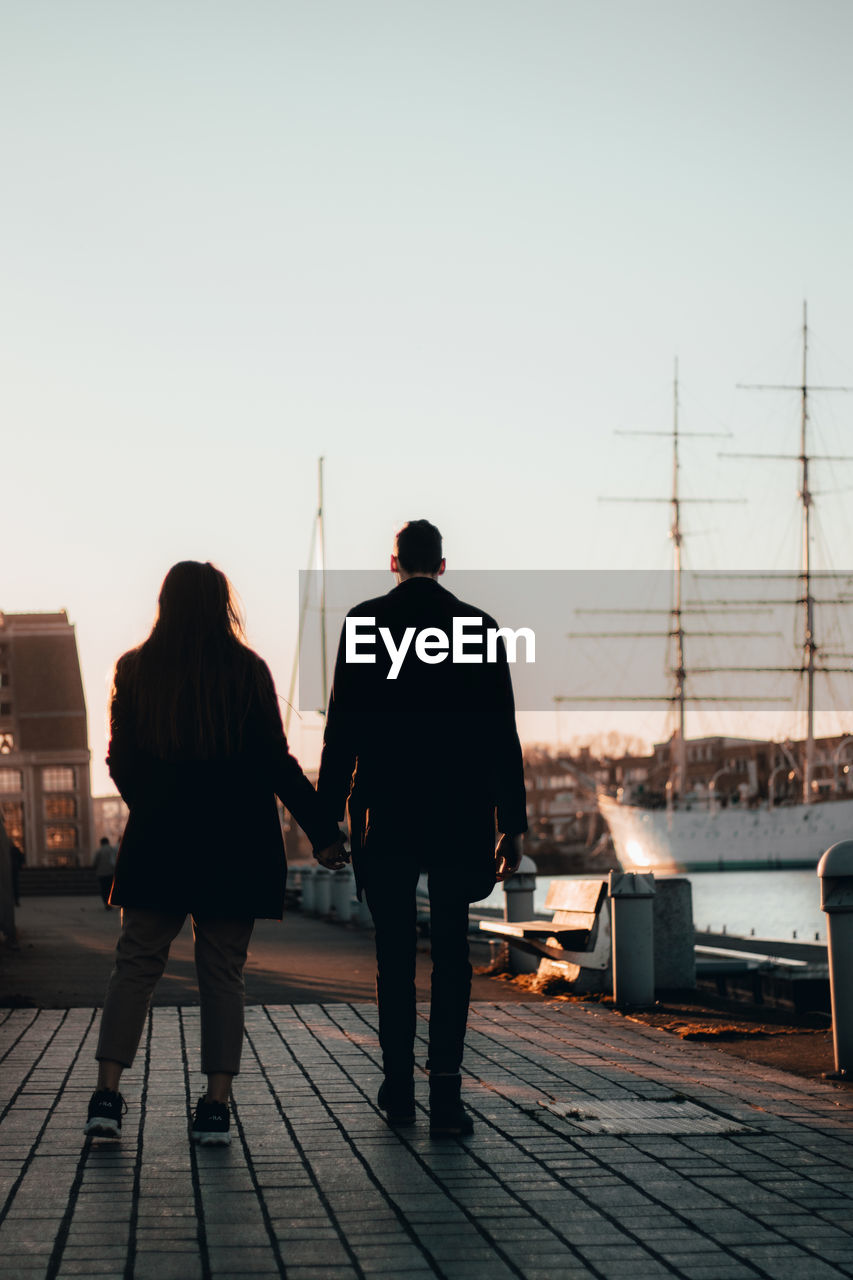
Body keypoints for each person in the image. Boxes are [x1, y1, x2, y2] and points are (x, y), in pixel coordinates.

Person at [85, 561, 346, 1146]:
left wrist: (155, 806)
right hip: (235, 844)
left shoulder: (134, 670)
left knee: (135, 964)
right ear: (223, 605)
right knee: (223, 974)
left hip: (161, 844)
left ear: (165, 603)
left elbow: (119, 760)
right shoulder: (247, 672)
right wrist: (325, 830)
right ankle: (214, 1109)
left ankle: (106, 1097)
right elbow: (276, 763)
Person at [318, 520, 527, 1135]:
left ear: (393, 563)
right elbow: (500, 735)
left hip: (386, 812)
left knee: (393, 955)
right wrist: (511, 825)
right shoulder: (478, 628)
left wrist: (327, 819)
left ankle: (399, 1087)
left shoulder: (363, 624)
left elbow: (342, 731)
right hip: (460, 813)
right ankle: (447, 1095)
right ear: (442, 564)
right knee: (453, 954)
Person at [92, 837, 117, 909]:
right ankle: (111, 902)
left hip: (102, 873)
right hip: (111, 873)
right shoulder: (112, 850)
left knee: (103, 889)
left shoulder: (99, 851)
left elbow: (95, 862)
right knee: (110, 888)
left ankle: (106, 903)